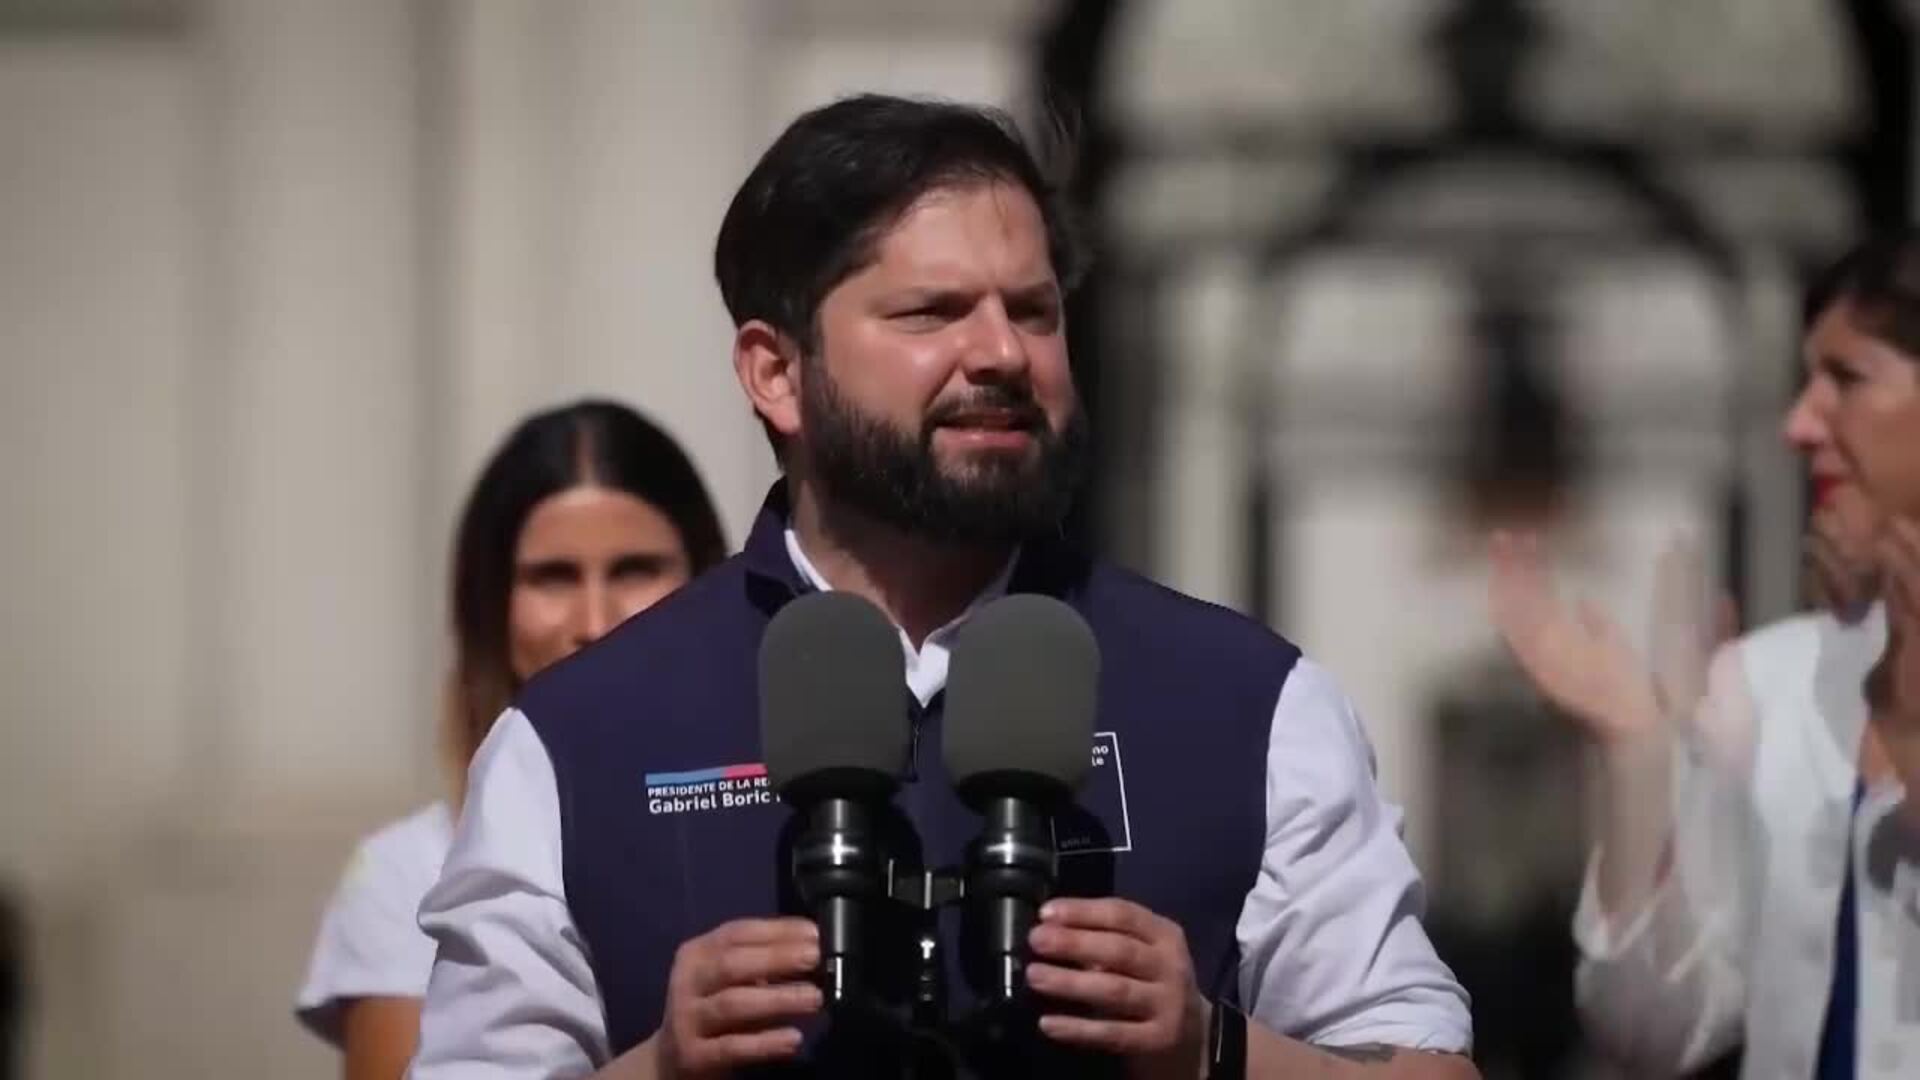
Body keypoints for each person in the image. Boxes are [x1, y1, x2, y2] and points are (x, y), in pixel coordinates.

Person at [410, 95, 1475, 1079]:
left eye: (1035, 311)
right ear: (776, 373)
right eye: (932, 312)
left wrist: (1217, 1050)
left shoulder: (1250, 705)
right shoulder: (574, 742)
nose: (1003, 352)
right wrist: (658, 1069)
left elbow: (1431, 1066)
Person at [1488, 231, 1920, 1079]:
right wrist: (1637, 752)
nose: (1801, 424)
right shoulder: (1775, 682)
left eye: (1847, 378)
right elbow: (1652, 1033)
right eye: (1805, 381)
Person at [296, 400, 727, 1079]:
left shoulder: (782, 827)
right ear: (489, 607)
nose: (595, 621)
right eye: (552, 577)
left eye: (635, 570)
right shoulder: (408, 874)